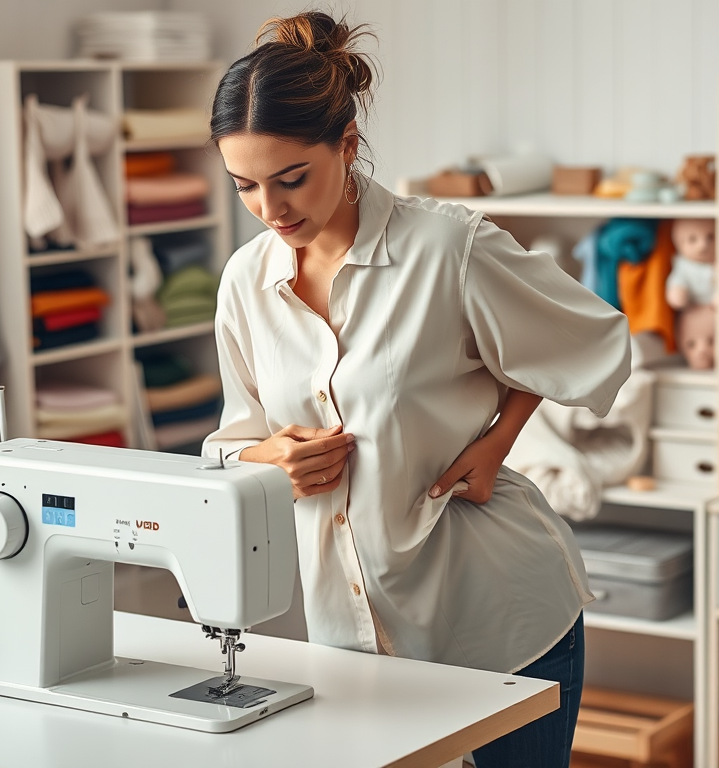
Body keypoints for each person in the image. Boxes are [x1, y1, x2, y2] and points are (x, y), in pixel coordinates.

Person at [203, 12, 630, 767]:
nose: (271, 210)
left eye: (291, 178)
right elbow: (235, 445)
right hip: (352, 644)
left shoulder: (448, 248)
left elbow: (587, 340)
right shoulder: (244, 282)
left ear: (347, 144)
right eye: (245, 186)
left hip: (504, 623)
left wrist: (498, 440)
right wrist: (268, 461)